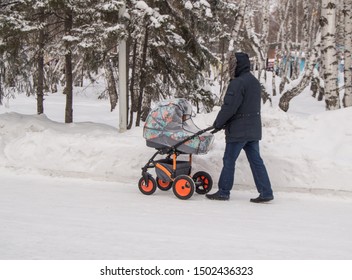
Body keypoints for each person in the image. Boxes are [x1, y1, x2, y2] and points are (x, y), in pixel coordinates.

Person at [206, 52, 274, 203]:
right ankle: (266, 191)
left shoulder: (237, 83)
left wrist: (218, 123)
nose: (230, 67)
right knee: (256, 161)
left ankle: (223, 191)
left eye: (232, 64)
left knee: (229, 159)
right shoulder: (254, 81)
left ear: (237, 65)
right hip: (253, 129)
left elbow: (230, 107)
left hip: (238, 129)